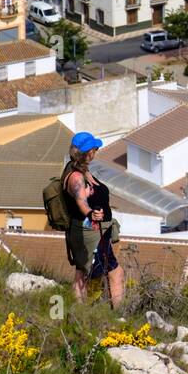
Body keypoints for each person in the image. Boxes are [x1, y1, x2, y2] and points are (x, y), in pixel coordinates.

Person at [62, 131, 125, 308]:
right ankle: (118, 315)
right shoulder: (76, 177)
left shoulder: (82, 170)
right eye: (94, 149)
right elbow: (81, 202)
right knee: (114, 273)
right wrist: (91, 213)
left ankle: (80, 312)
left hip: (95, 231)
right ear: (87, 151)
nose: (96, 151)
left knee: (82, 273)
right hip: (91, 232)